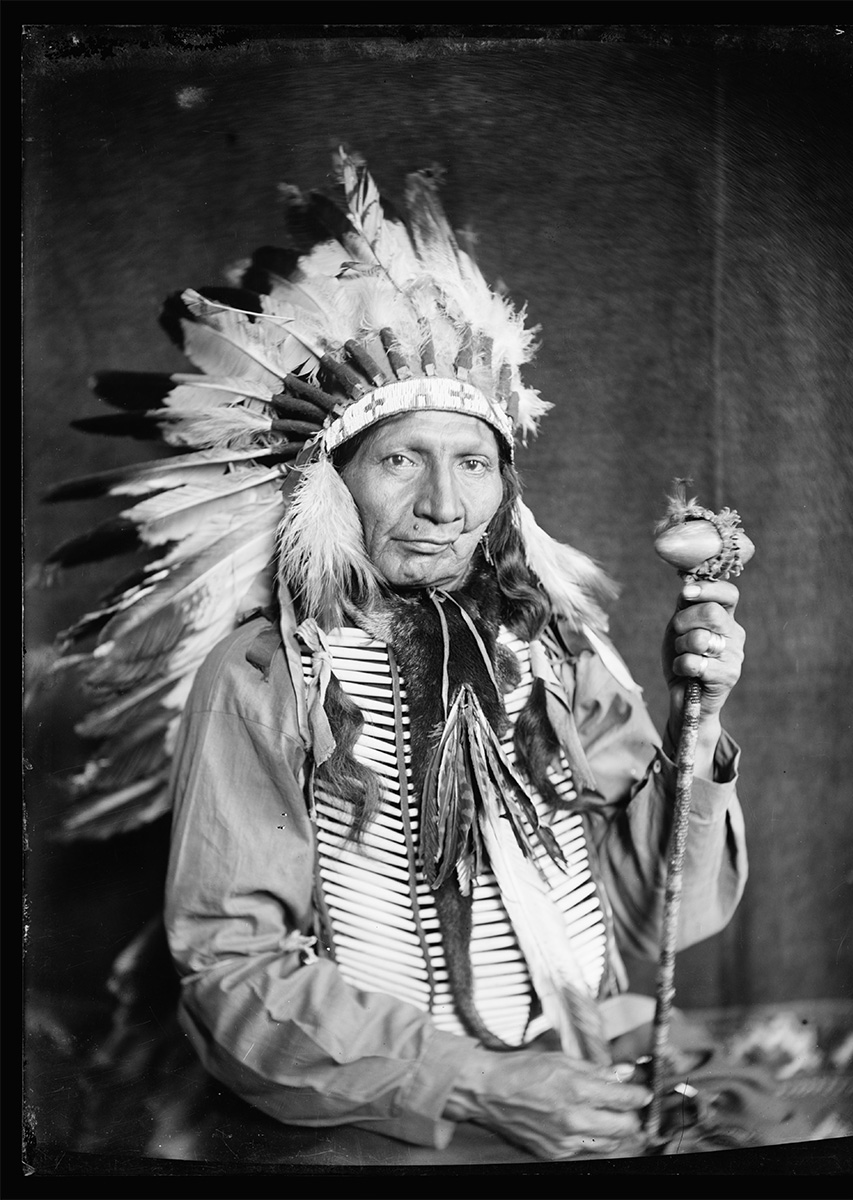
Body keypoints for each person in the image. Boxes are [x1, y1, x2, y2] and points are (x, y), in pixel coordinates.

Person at [54, 149, 749, 1161]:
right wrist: (473, 1086)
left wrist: (702, 722)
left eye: (472, 462)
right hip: (380, 1126)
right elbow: (234, 974)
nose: (443, 504)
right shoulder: (263, 676)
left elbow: (658, 923)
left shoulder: (558, 653)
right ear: (334, 485)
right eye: (400, 459)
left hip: (580, 1085)